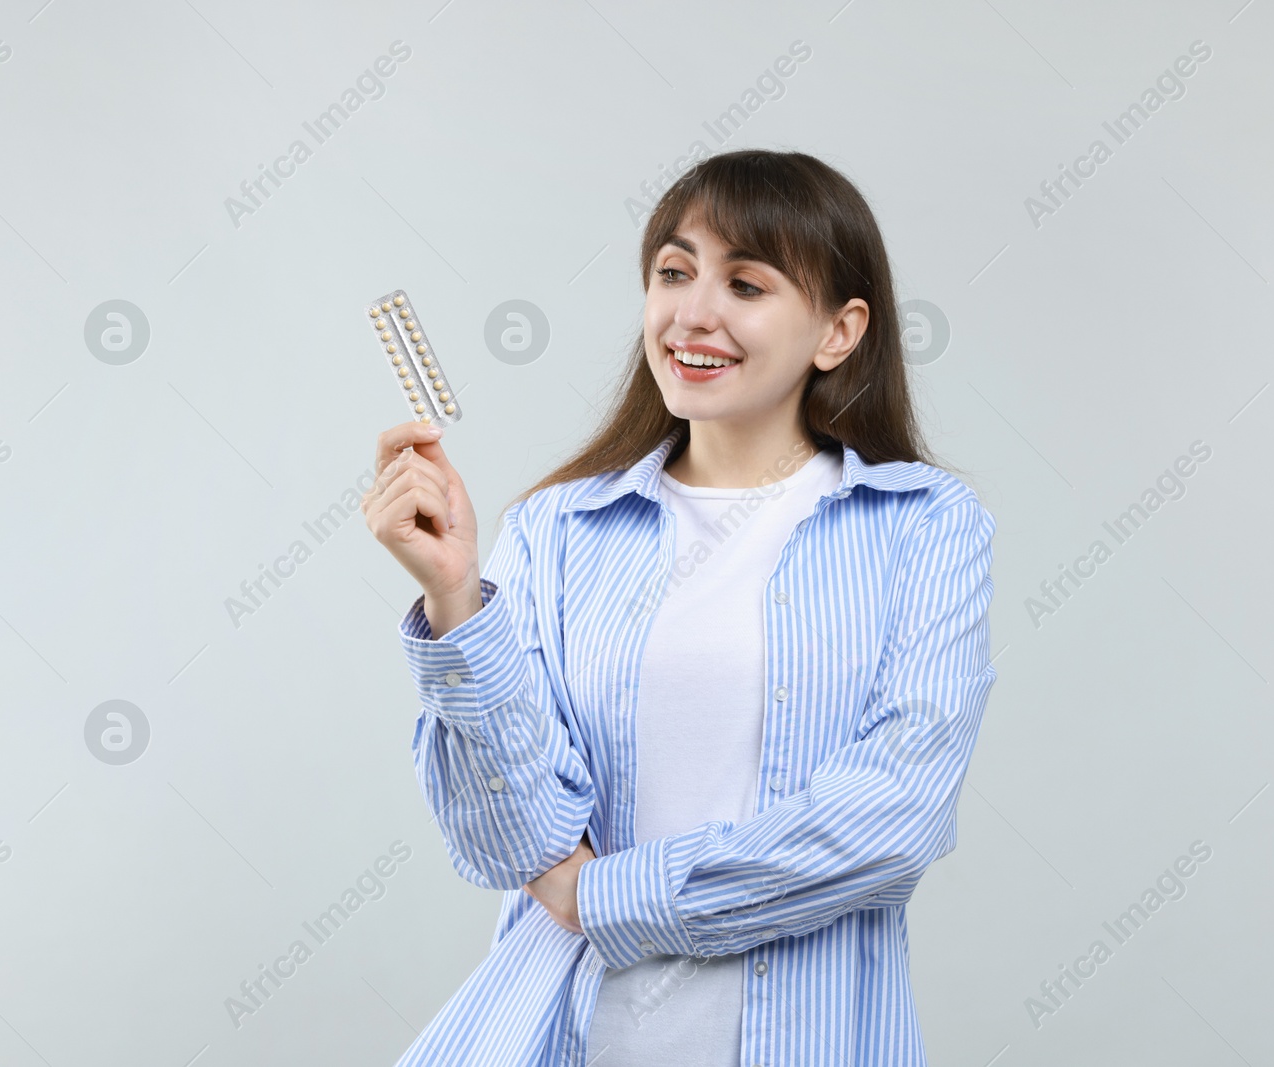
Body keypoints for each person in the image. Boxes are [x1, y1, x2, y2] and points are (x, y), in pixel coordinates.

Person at [363, 148, 997, 1067]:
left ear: (838, 331)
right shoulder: (557, 528)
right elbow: (508, 837)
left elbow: (891, 818)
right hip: (559, 1036)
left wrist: (603, 895)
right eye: (673, 271)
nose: (692, 312)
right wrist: (456, 595)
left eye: (746, 283)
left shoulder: (925, 527)